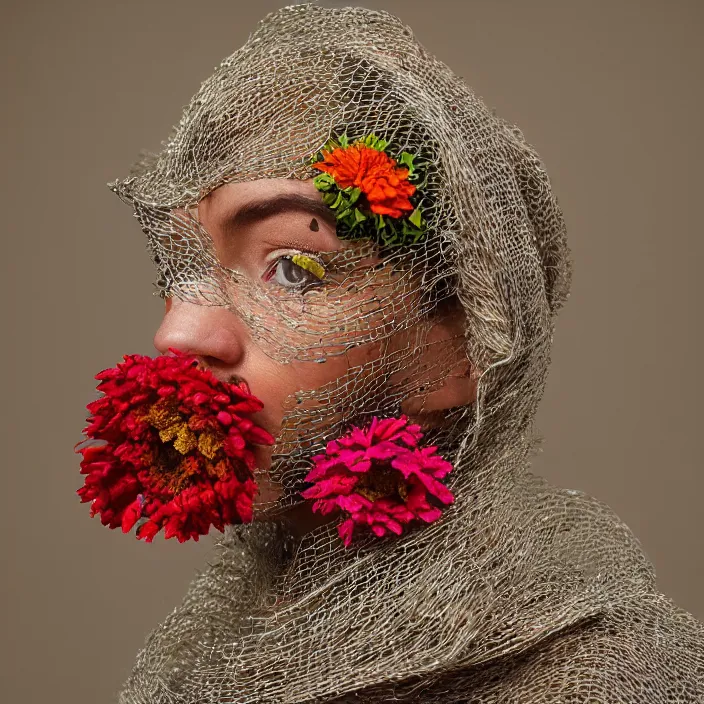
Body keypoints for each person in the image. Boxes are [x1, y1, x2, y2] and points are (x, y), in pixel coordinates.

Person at [108, 4, 704, 702]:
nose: (178, 334)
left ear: (460, 345)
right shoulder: (189, 672)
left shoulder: (604, 678)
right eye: (177, 269)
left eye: (295, 268)